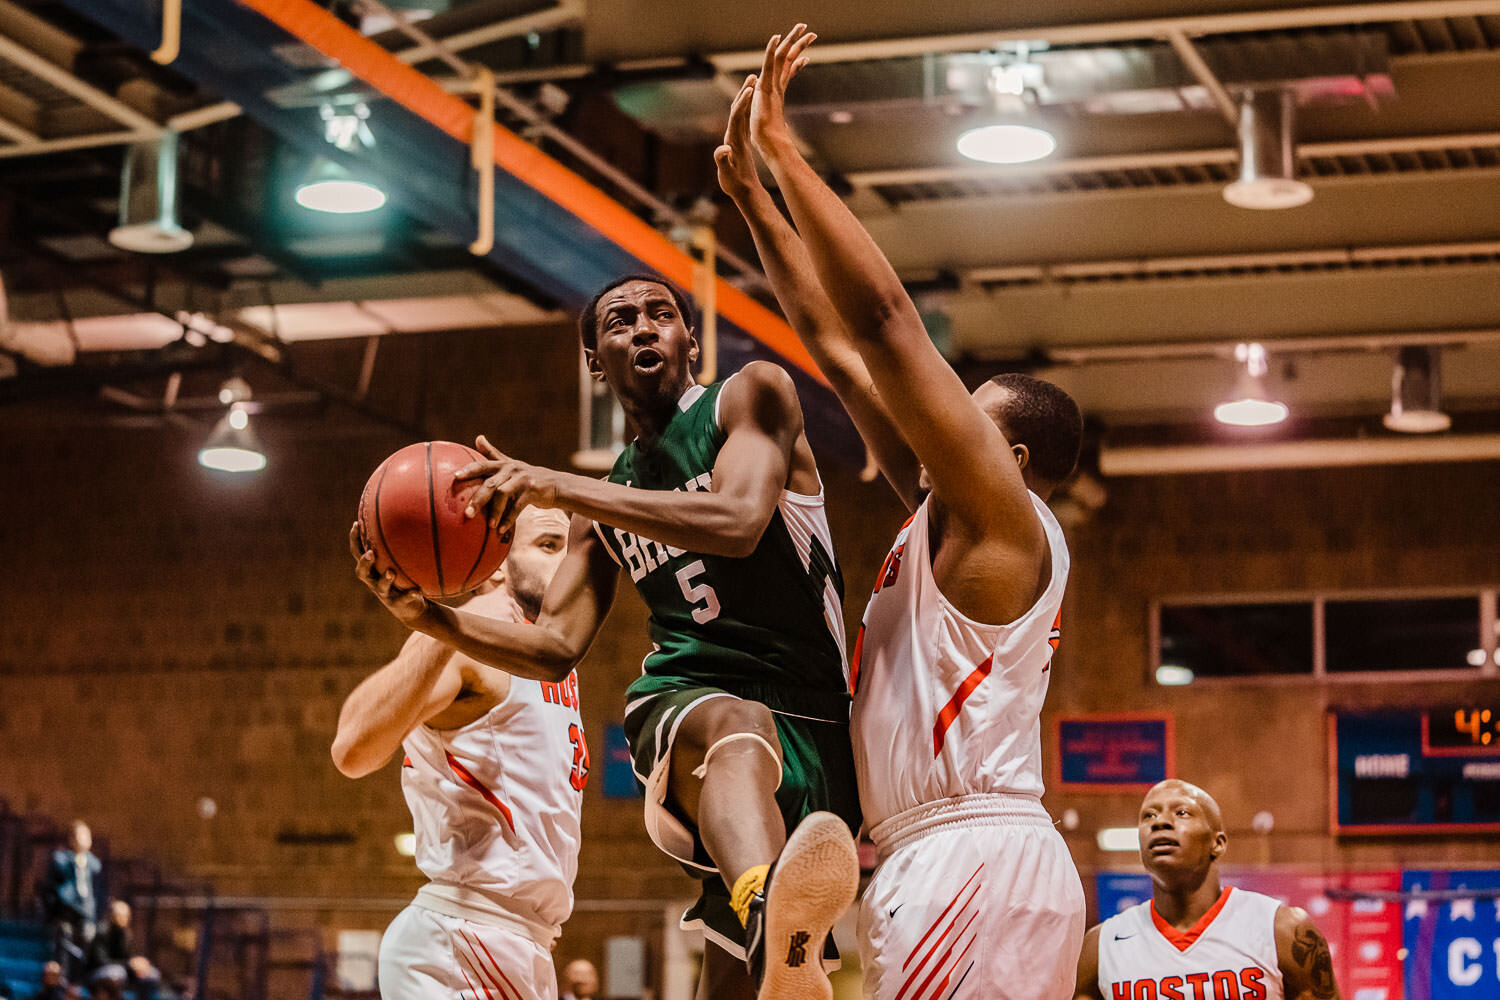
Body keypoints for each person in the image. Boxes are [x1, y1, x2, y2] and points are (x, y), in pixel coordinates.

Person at [354, 273, 861, 1000]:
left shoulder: (749, 396)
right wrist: (434, 620)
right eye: (621, 321)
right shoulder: (602, 509)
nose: (645, 326)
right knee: (732, 722)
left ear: (691, 340)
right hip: (689, 703)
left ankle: (766, 929)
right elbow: (557, 643)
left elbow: (740, 521)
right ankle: (764, 904)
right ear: (596, 359)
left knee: (742, 987)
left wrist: (559, 487)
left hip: (815, 718)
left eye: (663, 314)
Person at [719, 25, 1088, 999]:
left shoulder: (1004, 527)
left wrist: (787, 153)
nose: (943, 412)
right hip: (944, 858)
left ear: (1007, 460)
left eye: (970, 414)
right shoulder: (945, 524)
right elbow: (839, 353)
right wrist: (754, 203)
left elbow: (884, 324)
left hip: (974, 858)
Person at [336, 507, 581, 1000]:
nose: (569, 564)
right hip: (464, 939)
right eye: (550, 545)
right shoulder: (477, 634)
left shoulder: (546, 650)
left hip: (518, 941)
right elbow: (352, 748)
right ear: (493, 565)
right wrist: (443, 629)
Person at [1075, 780, 1343, 1000]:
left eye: (1181, 812)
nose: (1159, 822)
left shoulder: (1282, 930)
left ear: (1218, 843)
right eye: (1149, 816)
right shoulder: (1102, 945)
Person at [42, 822, 101, 979]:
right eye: (81, 836)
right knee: (63, 948)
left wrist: (84, 860)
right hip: (66, 911)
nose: (85, 840)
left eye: (87, 836)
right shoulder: (61, 859)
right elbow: (53, 888)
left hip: (85, 912)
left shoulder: (92, 863)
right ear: (72, 839)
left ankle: (79, 982)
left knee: (86, 947)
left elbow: (96, 872)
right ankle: (61, 982)